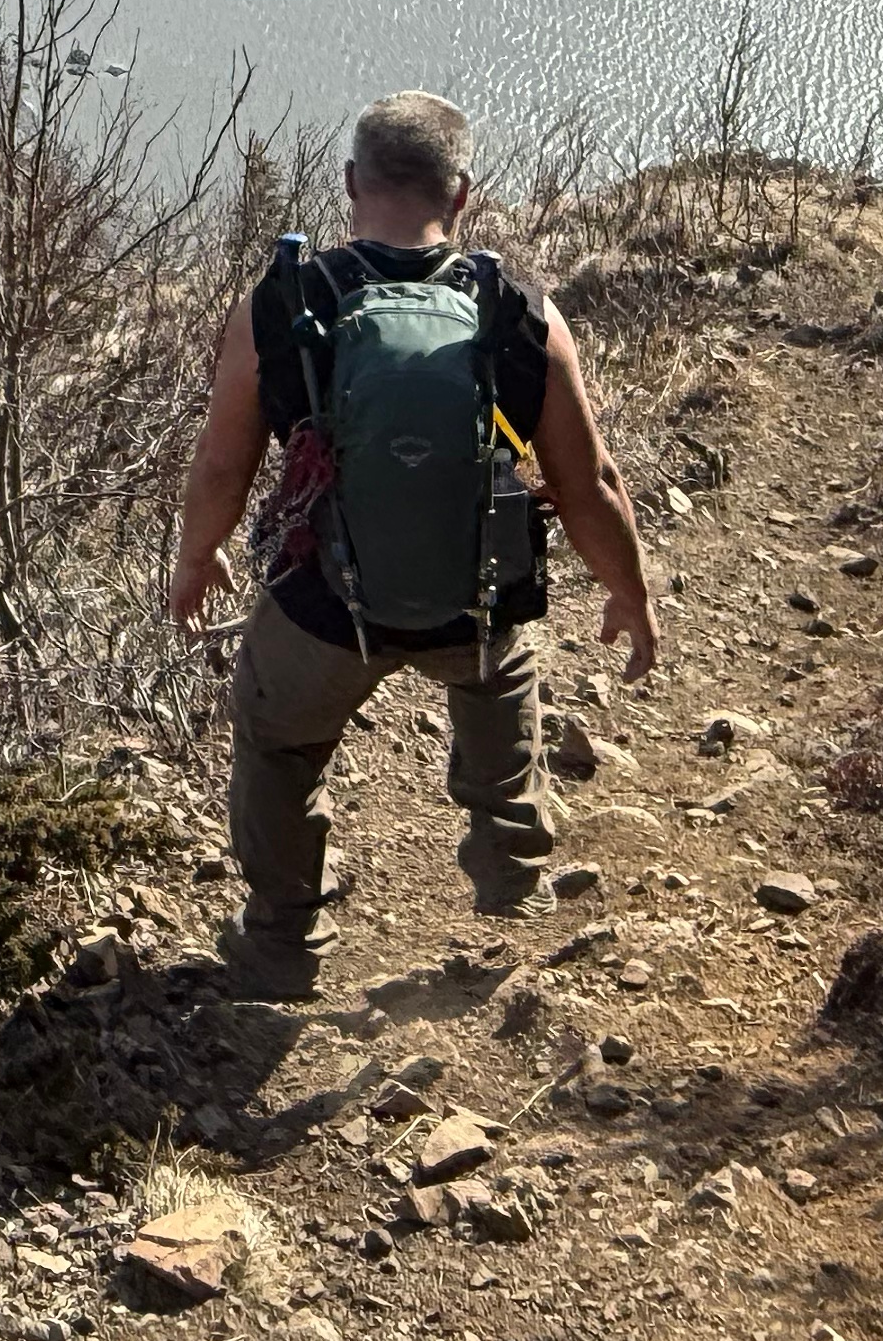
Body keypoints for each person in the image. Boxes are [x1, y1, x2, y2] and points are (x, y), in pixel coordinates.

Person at [164, 90, 660, 995]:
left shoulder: (282, 304)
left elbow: (220, 465)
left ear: (350, 183)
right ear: (462, 195)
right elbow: (588, 486)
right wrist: (630, 594)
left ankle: (281, 944)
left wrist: (198, 560)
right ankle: (512, 892)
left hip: (321, 609)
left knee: (277, 742)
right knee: (503, 673)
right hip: (476, 602)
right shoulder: (522, 312)